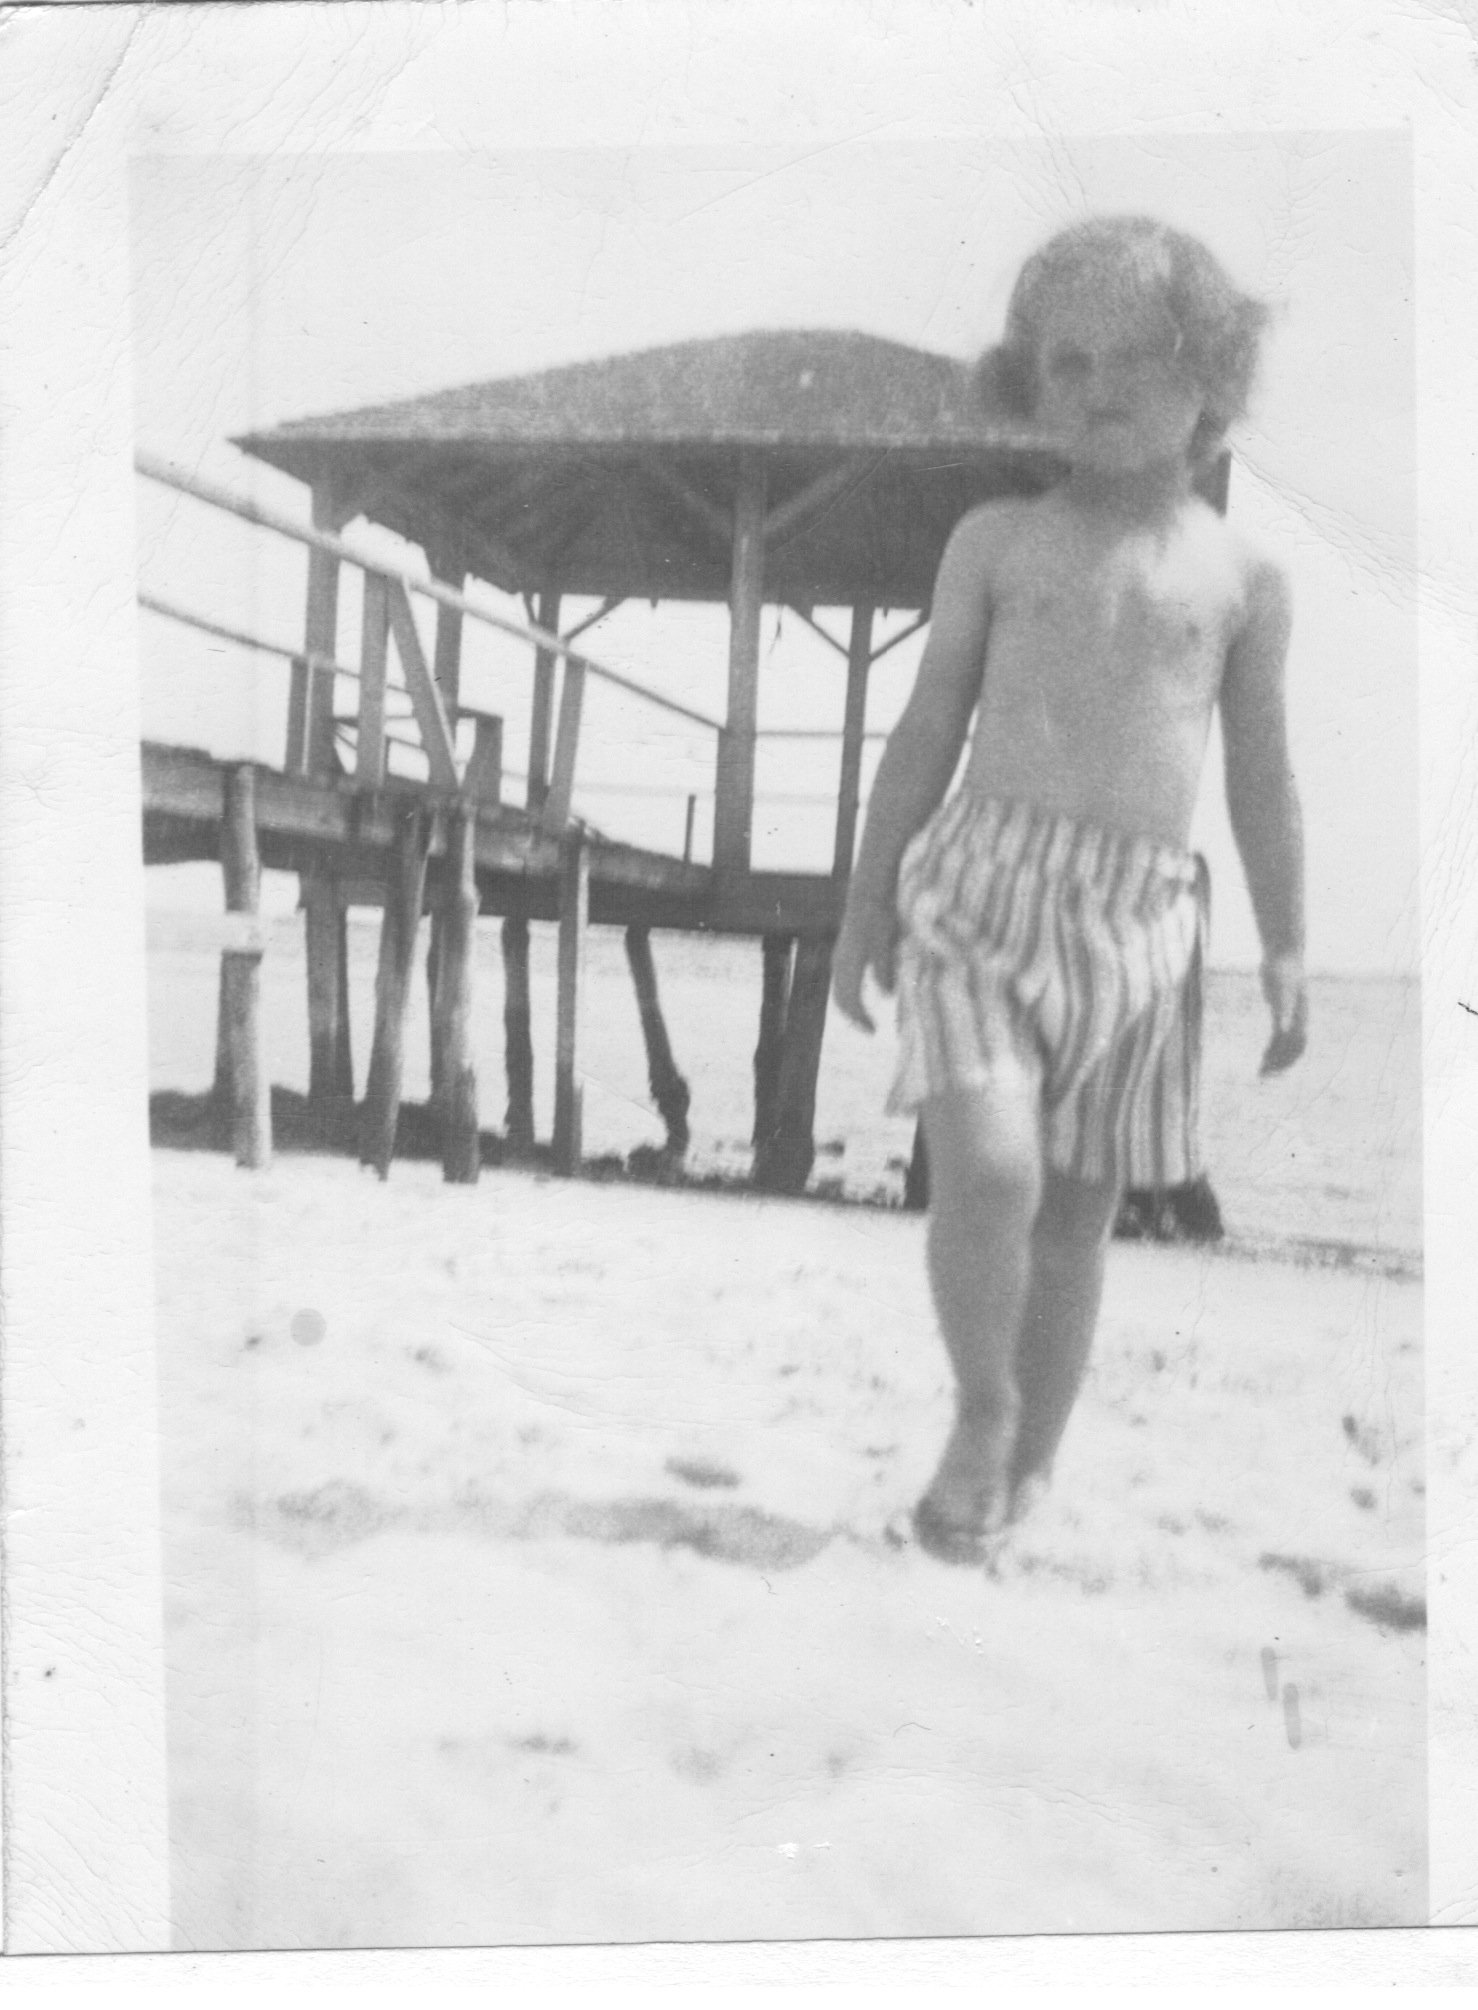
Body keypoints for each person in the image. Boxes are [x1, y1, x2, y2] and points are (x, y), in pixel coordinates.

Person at [831, 216, 1308, 1564]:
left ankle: (1027, 1468)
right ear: (1028, 381)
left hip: (1141, 923)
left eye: (1141, 358)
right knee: (987, 1172)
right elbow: (924, 729)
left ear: (1210, 378)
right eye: (1070, 359)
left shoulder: (1242, 575)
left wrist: (1285, 943)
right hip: (981, 889)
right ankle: (983, 1409)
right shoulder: (993, 539)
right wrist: (865, 901)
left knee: (1081, 1214)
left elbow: (1262, 777)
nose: (1101, 384)